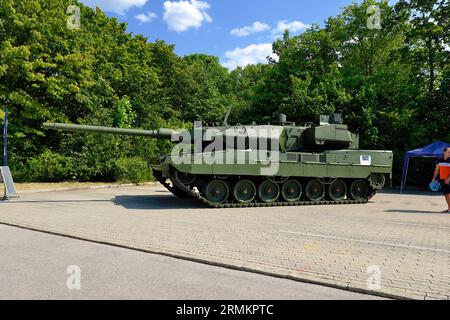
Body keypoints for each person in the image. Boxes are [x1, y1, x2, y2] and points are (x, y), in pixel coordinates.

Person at [432, 147, 450, 213]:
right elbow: (437, 170)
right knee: (446, 194)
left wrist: (448, 178)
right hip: (443, 179)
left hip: (448, 179)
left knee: (448, 194)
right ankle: (449, 209)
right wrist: (433, 178)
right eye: (449, 152)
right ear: (444, 152)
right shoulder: (439, 160)